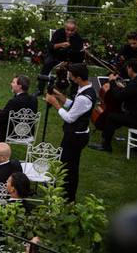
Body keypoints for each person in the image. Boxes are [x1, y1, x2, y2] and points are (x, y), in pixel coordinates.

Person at [45, 62, 95, 201]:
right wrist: (59, 95)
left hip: (75, 137)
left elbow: (70, 117)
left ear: (78, 78)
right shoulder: (85, 88)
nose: (70, 79)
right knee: (63, 160)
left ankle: (69, 196)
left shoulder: (85, 97)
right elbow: (74, 105)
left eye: (72, 77)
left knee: (70, 167)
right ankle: (58, 185)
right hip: (75, 135)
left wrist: (55, 103)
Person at [94, 59, 137, 152]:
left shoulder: (136, 82)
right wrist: (124, 88)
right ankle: (136, 145)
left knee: (111, 117)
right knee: (125, 115)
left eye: (127, 68)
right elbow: (135, 94)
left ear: (131, 69)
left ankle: (105, 146)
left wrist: (112, 82)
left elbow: (119, 97)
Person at [38, 19, 85, 95]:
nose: (69, 32)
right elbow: (50, 46)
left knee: (77, 68)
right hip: (55, 55)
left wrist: (67, 61)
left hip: (69, 58)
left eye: (72, 30)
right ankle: (40, 89)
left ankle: (73, 92)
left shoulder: (78, 38)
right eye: (67, 30)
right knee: (47, 63)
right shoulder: (58, 32)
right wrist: (61, 44)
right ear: (64, 28)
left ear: (75, 29)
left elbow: (78, 53)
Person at [0, 75, 38, 142]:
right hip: (27, 133)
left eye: (13, 82)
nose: (11, 84)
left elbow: (0, 120)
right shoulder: (33, 100)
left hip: (13, 133)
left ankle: (1, 146)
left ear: (20, 86)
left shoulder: (14, 101)